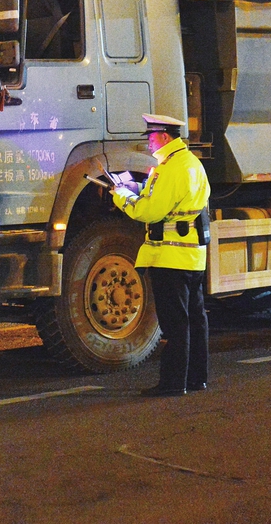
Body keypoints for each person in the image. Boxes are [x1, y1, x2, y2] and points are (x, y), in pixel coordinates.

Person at [112, 113, 211, 398]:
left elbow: (150, 211)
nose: (148, 142)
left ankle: (173, 382)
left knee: (175, 323)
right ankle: (197, 378)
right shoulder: (191, 162)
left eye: (151, 136)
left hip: (169, 257)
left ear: (165, 136)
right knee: (195, 319)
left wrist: (122, 196)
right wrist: (139, 189)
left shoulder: (170, 168)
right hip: (192, 256)